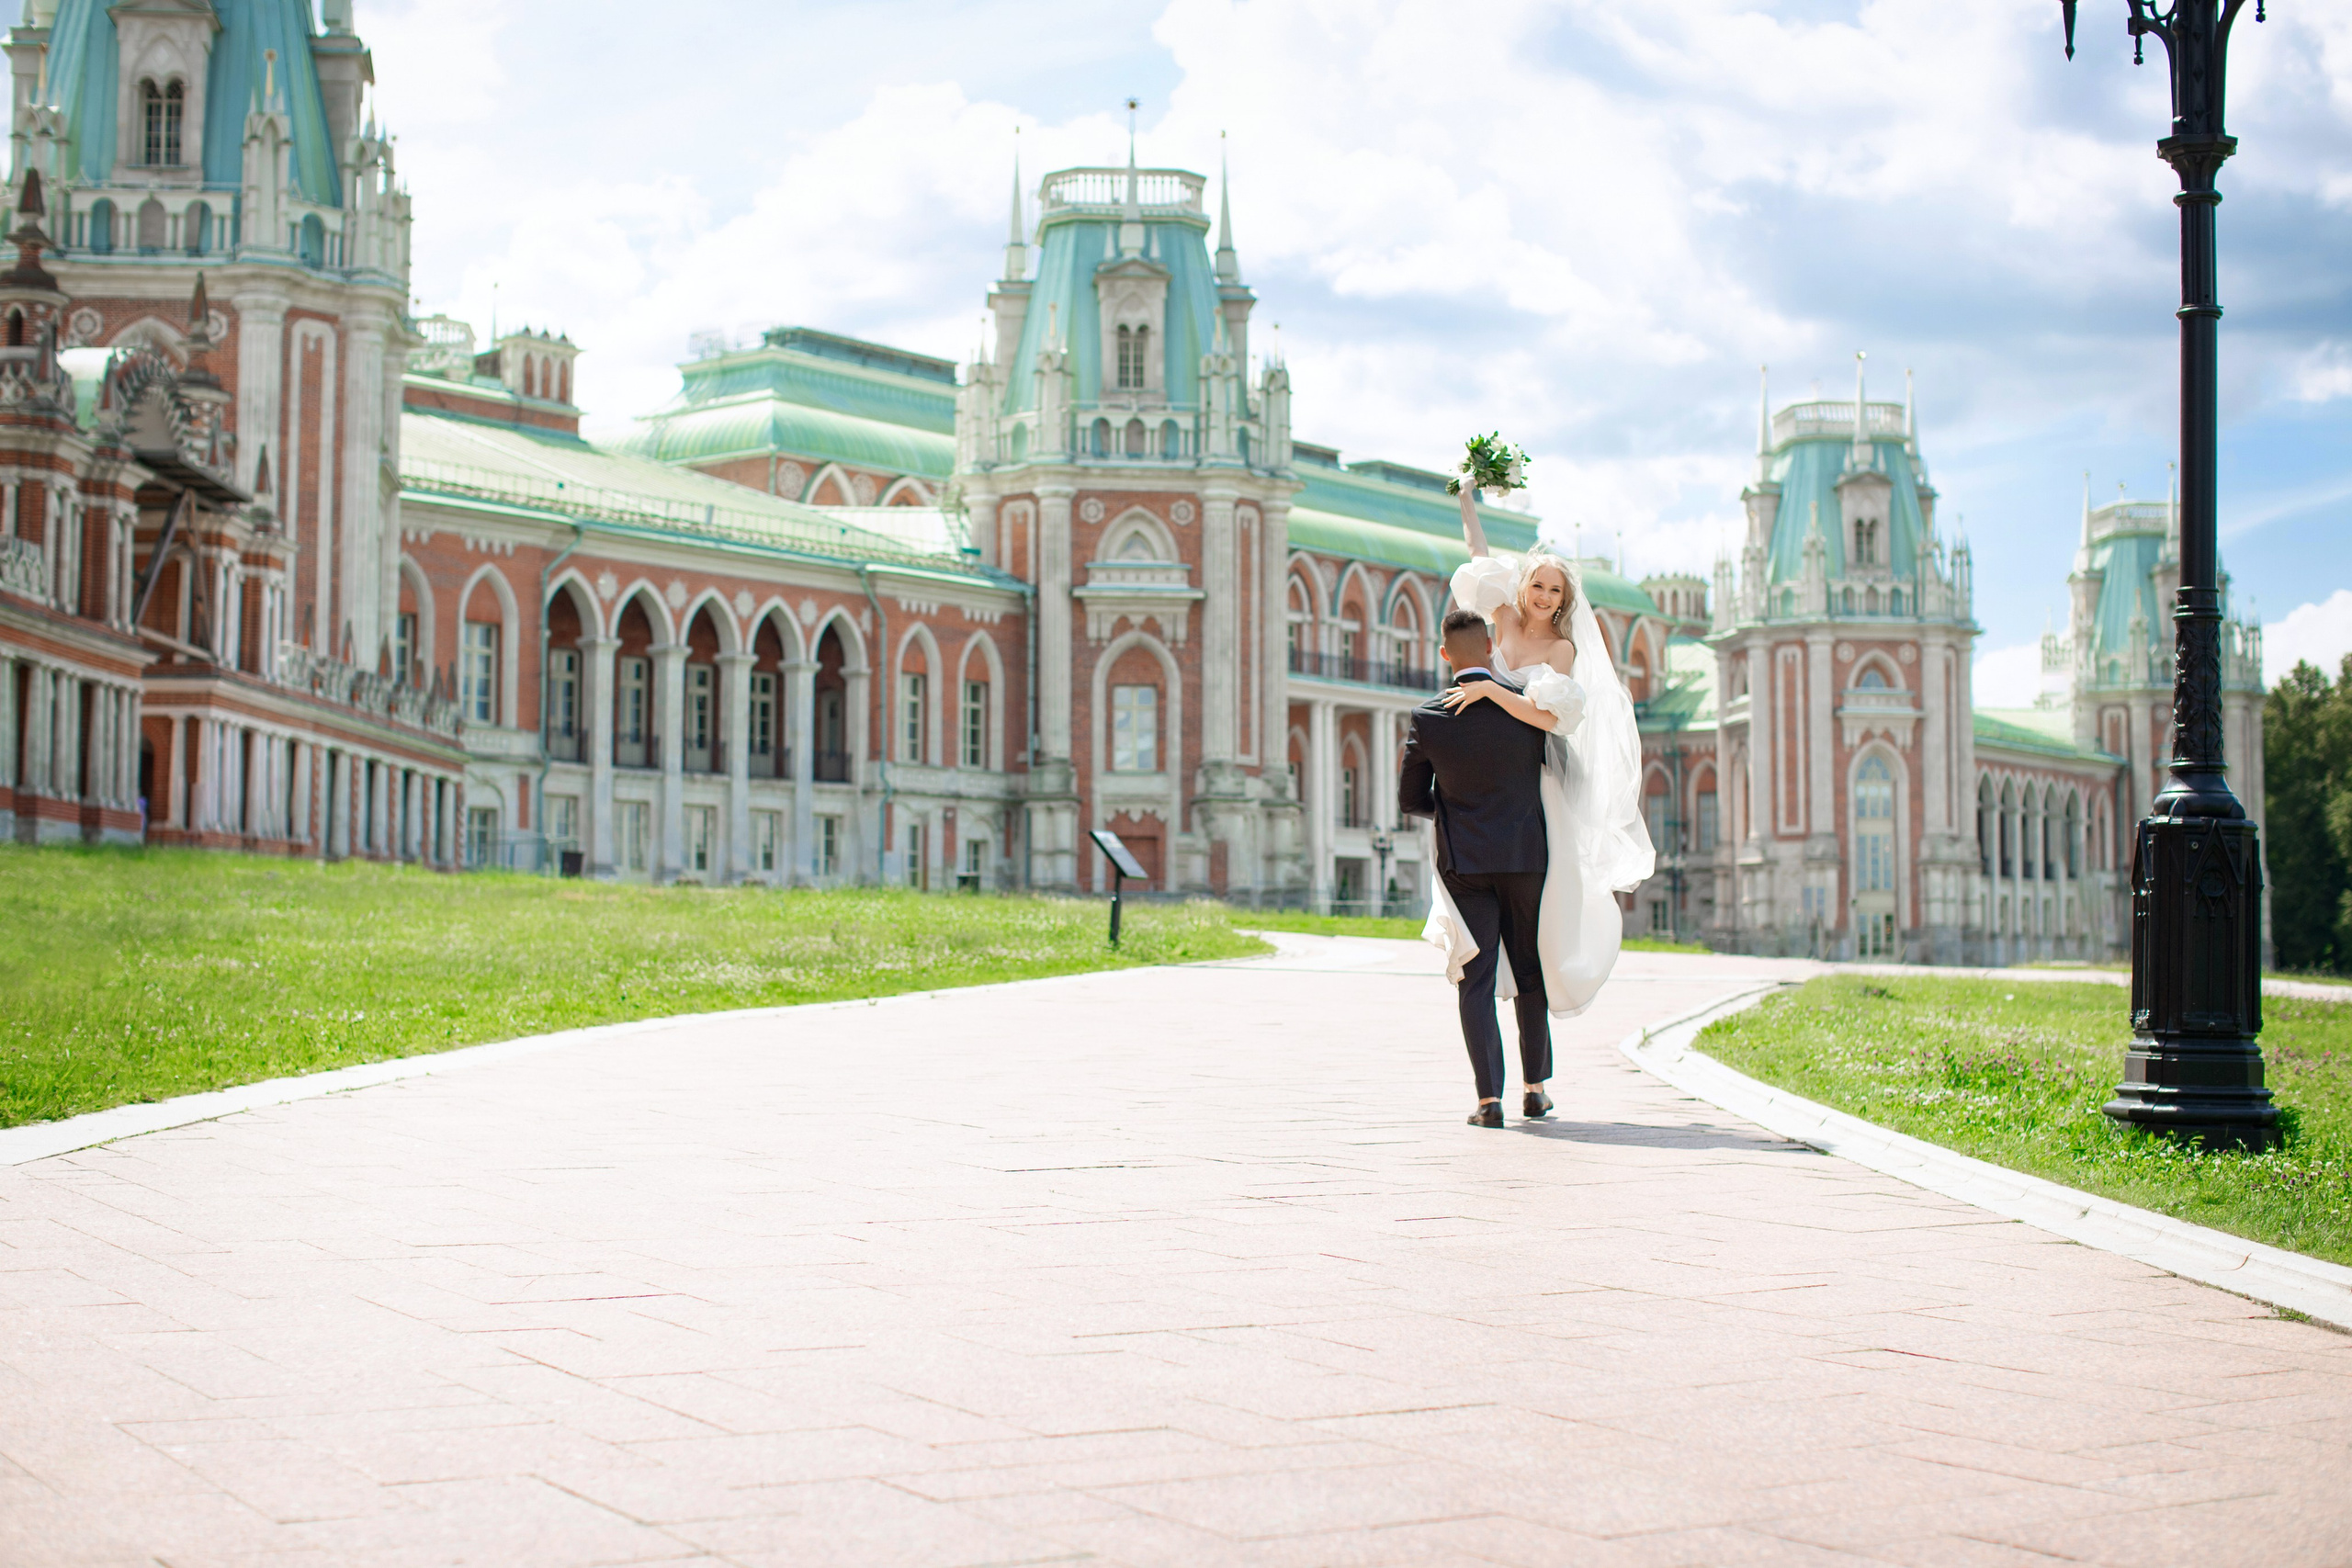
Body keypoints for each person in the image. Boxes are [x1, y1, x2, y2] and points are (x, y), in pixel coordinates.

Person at [1418, 483, 1657, 1116]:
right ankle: (1505, 1089)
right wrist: (1468, 497)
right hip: (1494, 794)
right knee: (1497, 957)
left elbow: (1550, 718)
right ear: (1524, 588)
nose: (1545, 596)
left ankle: (1534, 1084)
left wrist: (1492, 691)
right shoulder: (1500, 622)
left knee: (1531, 956)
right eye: (1538, 586)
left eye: (1556, 590)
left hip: (1538, 795)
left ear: (1565, 600)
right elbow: (1478, 554)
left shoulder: (1561, 650)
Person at [1398, 609, 1557, 1126]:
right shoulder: (1525, 710)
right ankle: (1536, 1091)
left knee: (1476, 978)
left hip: (1464, 862)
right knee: (1529, 971)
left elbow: (1409, 800)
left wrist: (1453, 814)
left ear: (1445, 655)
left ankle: (1490, 1102)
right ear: (1490, 646)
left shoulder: (1428, 718)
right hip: (1525, 858)